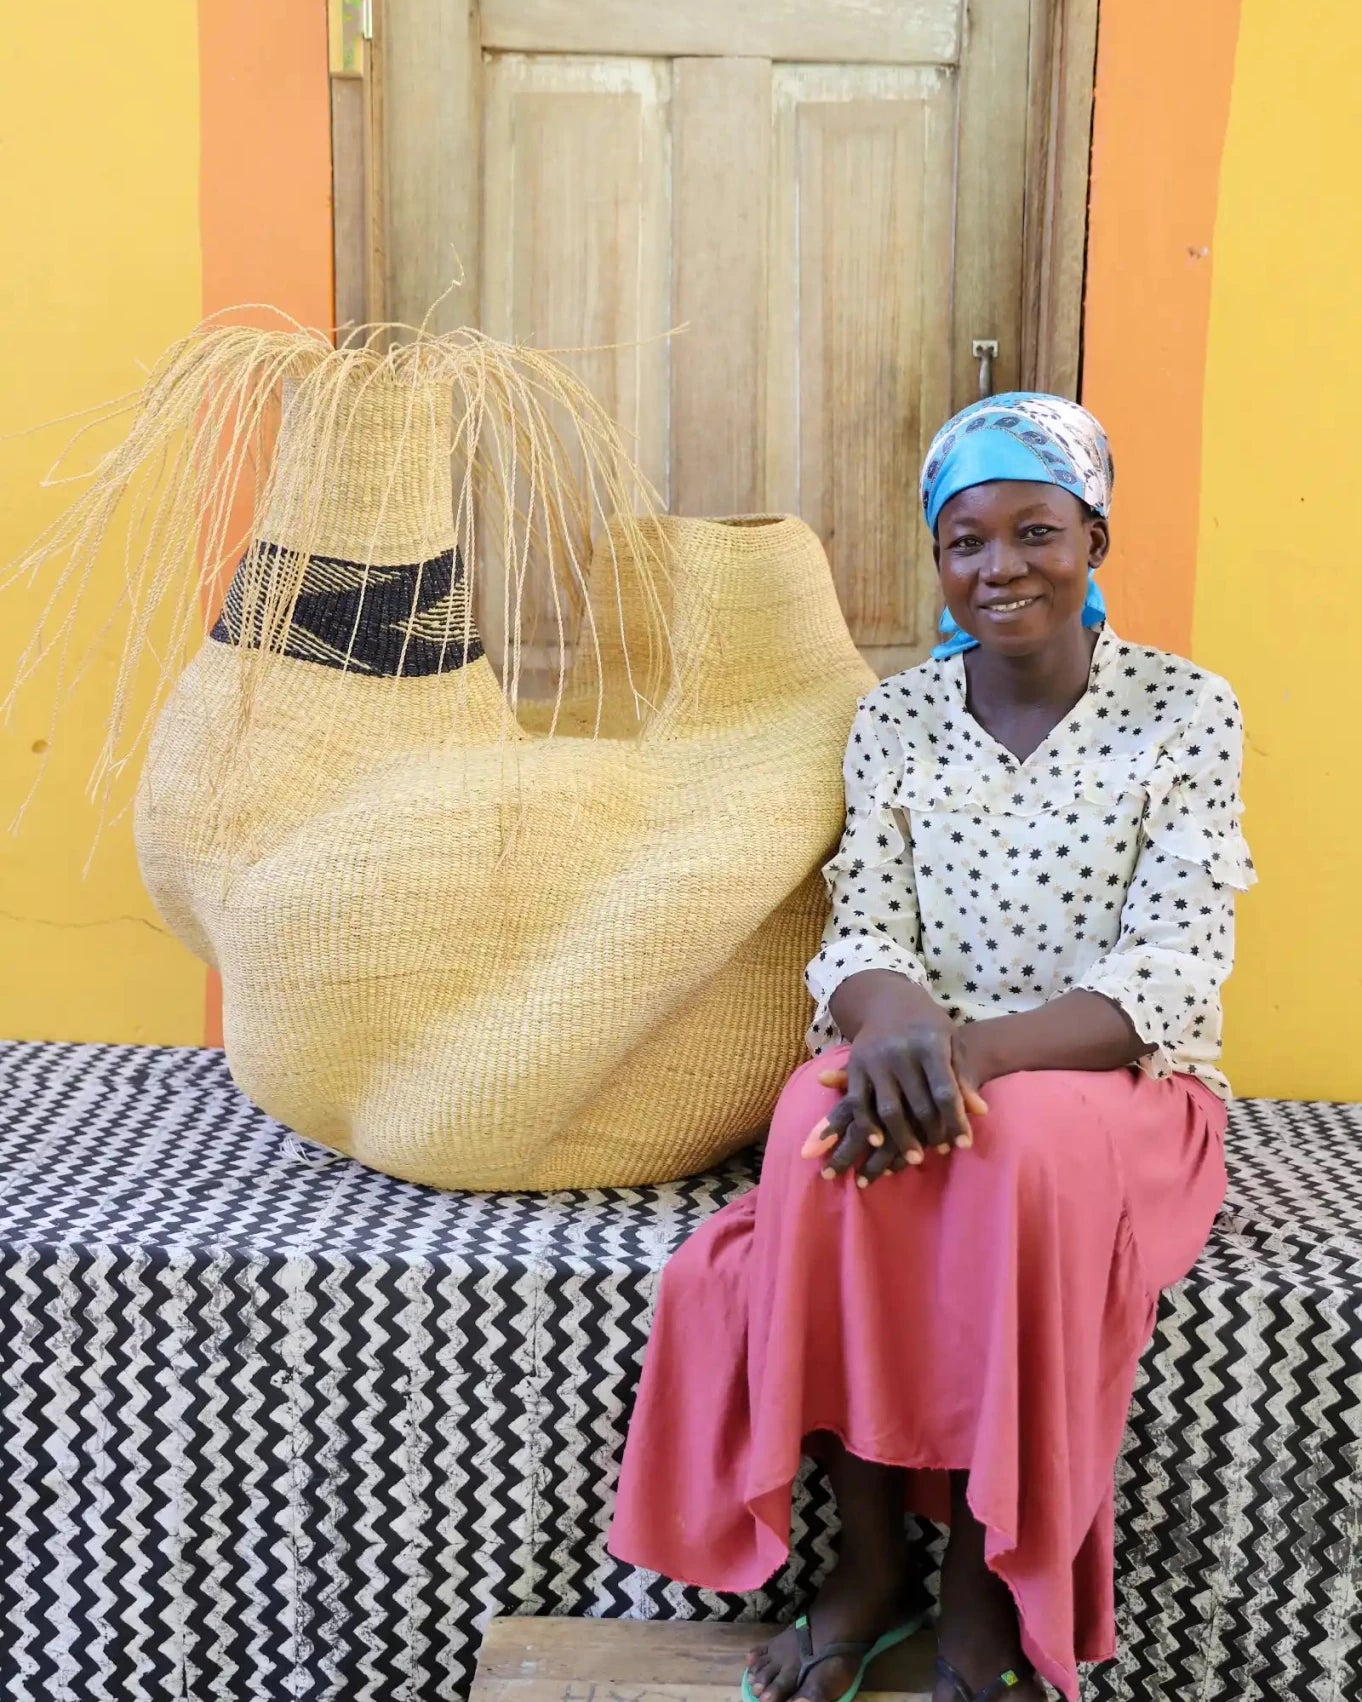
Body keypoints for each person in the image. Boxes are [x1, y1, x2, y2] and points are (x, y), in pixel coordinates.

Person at [608, 394, 1255, 1702]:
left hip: (1117, 1083)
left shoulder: (1185, 709)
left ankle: (979, 1578)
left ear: (1093, 538)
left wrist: (973, 1054)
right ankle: (866, 1566)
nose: (999, 565)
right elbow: (863, 921)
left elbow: (1173, 964)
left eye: (1035, 531)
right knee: (820, 1124)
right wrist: (900, 1024)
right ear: (939, 558)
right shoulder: (895, 718)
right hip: (930, 1053)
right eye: (966, 541)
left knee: (1008, 1150)